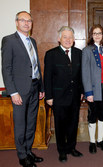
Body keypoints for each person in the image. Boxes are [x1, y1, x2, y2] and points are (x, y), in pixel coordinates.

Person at [1, 11, 44, 167]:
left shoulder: (32, 41)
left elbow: (36, 66)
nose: (27, 23)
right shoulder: (9, 41)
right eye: (23, 20)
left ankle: (28, 151)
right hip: (19, 91)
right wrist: (13, 92)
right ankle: (22, 156)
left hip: (34, 88)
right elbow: (6, 68)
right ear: (16, 22)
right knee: (20, 124)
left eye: (29, 21)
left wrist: (41, 87)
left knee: (31, 123)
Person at [44, 26, 83, 162]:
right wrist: (48, 96)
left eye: (70, 37)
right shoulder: (51, 54)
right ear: (59, 39)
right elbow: (47, 77)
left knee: (73, 123)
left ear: (74, 39)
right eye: (65, 37)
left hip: (75, 96)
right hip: (58, 97)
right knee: (60, 125)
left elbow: (81, 75)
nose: (68, 39)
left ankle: (71, 147)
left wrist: (82, 91)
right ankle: (62, 150)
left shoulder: (79, 53)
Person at [82, 24, 103, 154]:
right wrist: (88, 92)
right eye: (95, 33)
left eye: (99, 33)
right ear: (91, 35)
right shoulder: (87, 50)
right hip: (93, 90)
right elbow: (85, 73)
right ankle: (92, 141)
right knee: (92, 115)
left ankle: (100, 140)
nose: (97, 35)